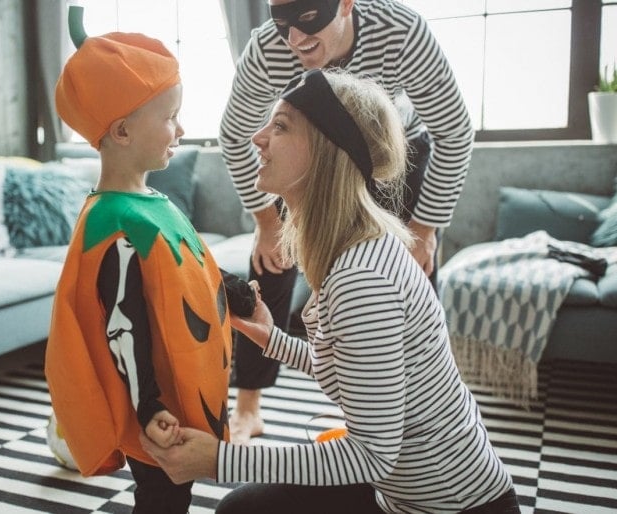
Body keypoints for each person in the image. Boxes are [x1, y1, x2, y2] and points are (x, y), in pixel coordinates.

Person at [141, 69, 519, 514]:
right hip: (400, 496)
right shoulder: (352, 250)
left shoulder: (362, 278)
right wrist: (272, 338)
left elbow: (371, 455)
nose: (258, 138)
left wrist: (220, 458)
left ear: (326, 151)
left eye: (279, 126)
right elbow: (351, 368)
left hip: (454, 507)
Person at [222, 0, 474, 444]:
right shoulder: (268, 47)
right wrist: (265, 220)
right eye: (282, 24)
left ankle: (427, 417)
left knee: (414, 271)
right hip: (312, 157)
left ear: (344, 4)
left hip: (394, 156)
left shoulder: (401, 32)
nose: (295, 40)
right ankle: (248, 406)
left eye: (308, 21)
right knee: (270, 263)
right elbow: (234, 131)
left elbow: (454, 131)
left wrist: (426, 230)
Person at [45, 30, 253, 514]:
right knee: (163, 498)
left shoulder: (152, 202)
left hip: (181, 389)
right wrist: (149, 407)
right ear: (122, 132)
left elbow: (186, 266)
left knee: (176, 492)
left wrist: (233, 289)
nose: (181, 130)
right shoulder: (113, 222)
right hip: (157, 402)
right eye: (171, 118)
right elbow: (123, 322)